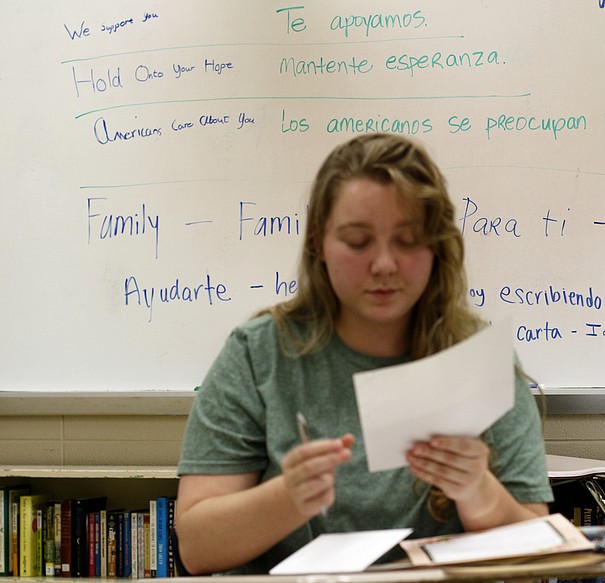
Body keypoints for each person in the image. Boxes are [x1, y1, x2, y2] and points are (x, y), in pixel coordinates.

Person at [174, 133, 554, 575]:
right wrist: (288, 497)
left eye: (409, 240)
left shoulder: (476, 360)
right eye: (358, 241)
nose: (385, 264)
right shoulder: (259, 354)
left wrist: (479, 493)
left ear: (436, 245)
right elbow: (198, 548)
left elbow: (536, 555)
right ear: (318, 241)